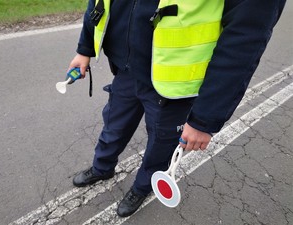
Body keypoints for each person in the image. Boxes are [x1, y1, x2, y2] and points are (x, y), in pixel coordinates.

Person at [68, 0, 286, 218]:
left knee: (161, 144)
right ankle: (102, 167)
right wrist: (85, 48)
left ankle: (143, 186)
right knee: (114, 125)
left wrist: (205, 119)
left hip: (175, 83)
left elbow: (245, 39)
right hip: (126, 69)